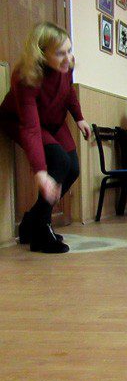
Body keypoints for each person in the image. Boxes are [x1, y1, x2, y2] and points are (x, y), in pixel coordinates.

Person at [0, 22, 90, 253]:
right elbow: (30, 127)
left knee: (72, 169)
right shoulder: (26, 76)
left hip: (52, 120)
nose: (68, 58)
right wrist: (40, 171)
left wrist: (79, 118)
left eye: (69, 50)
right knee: (59, 161)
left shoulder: (66, 65)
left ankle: (31, 222)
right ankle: (41, 231)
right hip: (21, 120)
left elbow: (69, 92)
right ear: (41, 54)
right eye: (60, 53)